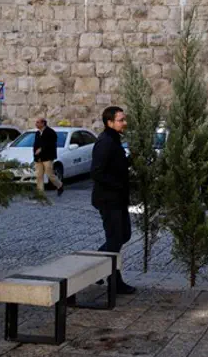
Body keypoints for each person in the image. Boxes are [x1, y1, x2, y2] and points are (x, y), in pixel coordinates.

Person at [91, 106, 136, 294]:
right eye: (120, 120)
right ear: (109, 123)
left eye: (124, 119)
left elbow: (117, 164)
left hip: (118, 198)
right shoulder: (105, 142)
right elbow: (97, 171)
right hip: (108, 200)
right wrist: (117, 185)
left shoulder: (114, 140)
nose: (124, 123)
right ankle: (112, 279)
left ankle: (95, 264)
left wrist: (132, 159)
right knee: (115, 237)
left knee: (123, 235)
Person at [33, 118, 63, 196]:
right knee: (39, 176)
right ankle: (40, 194)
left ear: (43, 123)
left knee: (50, 174)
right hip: (38, 158)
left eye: (38, 122)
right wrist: (35, 155)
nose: (36, 124)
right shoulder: (37, 133)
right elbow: (35, 145)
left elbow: (51, 144)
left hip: (47, 157)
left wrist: (42, 149)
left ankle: (59, 185)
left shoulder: (51, 132)